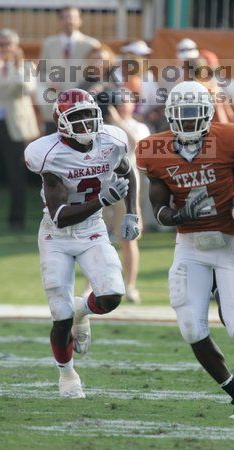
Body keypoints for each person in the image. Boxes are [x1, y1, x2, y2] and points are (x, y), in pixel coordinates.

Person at [136, 81, 234, 419]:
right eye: (180, 116)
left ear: (207, 114)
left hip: (230, 242)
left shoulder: (229, 139)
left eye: (192, 114)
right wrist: (181, 214)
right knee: (191, 328)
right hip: (191, 244)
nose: (186, 122)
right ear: (169, 115)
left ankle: (219, 293)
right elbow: (159, 209)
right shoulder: (154, 149)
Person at [24, 88, 139, 398]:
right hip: (56, 235)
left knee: (113, 295)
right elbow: (60, 215)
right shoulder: (48, 153)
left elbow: (128, 173)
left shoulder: (111, 141)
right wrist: (102, 198)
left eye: (90, 115)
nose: (87, 123)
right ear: (61, 122)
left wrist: (132, 213)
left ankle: (82, 309)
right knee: (59, 318)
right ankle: (67, 375)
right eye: (78, 117)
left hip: (92, 230)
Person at [0, 28, 40, 232]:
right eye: (1, 44)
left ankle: (17, 219)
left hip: (17, 126)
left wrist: (16, 67)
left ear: (16, 46)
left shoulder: (26, 66)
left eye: (8, 44)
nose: (4, 48)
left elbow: (26, 89)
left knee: (17, 175)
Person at [103, 90, 151, 302]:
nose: (122, 105)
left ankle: (130, 286)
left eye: (126, 101)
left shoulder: (139, 126)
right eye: (117, 102)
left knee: (128, 238)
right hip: (103, 186)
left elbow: (138, 147)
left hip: (127, 188)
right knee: (98, 239)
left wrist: (119, 122)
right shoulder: (102, 127)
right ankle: (97, 285)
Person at [37, 7, 101, 134]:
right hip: (54, 106)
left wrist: (94, 89)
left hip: (81, 107)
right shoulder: (49, 44)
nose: (68, 21)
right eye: (64, 17)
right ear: (59, 21)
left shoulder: (91, 44)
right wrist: (48, 80)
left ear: (80, 20)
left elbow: (101, 73)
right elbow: (40, 72)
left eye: (72, 17)